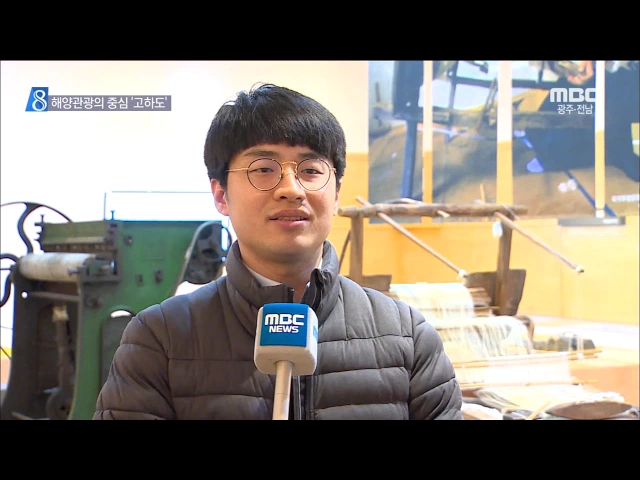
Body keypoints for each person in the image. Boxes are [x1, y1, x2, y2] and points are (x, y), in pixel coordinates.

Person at [93, 83, 463, 420]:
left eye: (311, 170)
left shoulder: (408, 336)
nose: (291, 189)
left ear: (336, 194)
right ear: (221, 195)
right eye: (263, 169)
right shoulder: (159, 340)